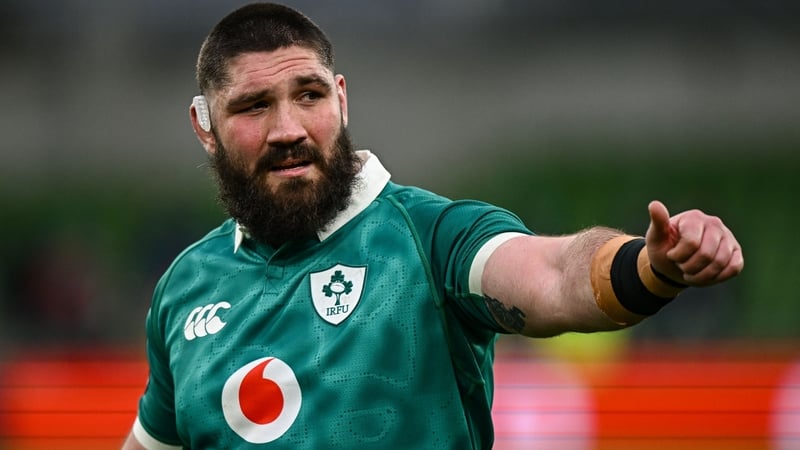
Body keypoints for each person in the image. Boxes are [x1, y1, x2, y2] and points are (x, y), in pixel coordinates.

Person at [122, 3, 744, 449]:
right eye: (255, 106)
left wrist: (649, 266)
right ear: (206, 127)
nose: (289, 128)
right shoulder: (186, 287)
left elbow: (554, 274)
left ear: (340, 99)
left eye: (308, 95)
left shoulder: (429, 237)